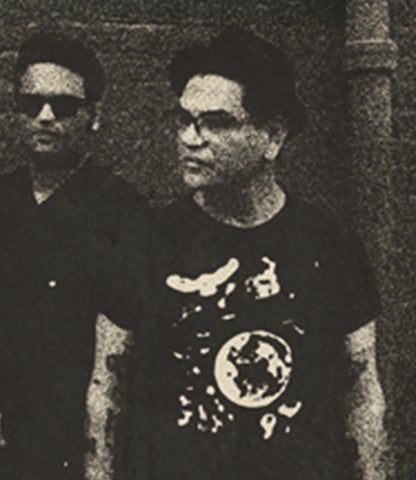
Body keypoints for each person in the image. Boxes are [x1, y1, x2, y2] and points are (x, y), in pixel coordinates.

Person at [134, 27, 387, 480]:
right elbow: (106, 391)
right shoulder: (148, 243)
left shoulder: (328, 246)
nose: (191, 138)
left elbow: (362, 393)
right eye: (184, 120)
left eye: (217, 122)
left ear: (272, 137)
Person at [0, 33, 152, 480]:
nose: (45, 117)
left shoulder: (123, 212)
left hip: (73, 448)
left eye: (63, 106)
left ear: (94, 116)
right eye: (31, 104)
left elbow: (128, 353)